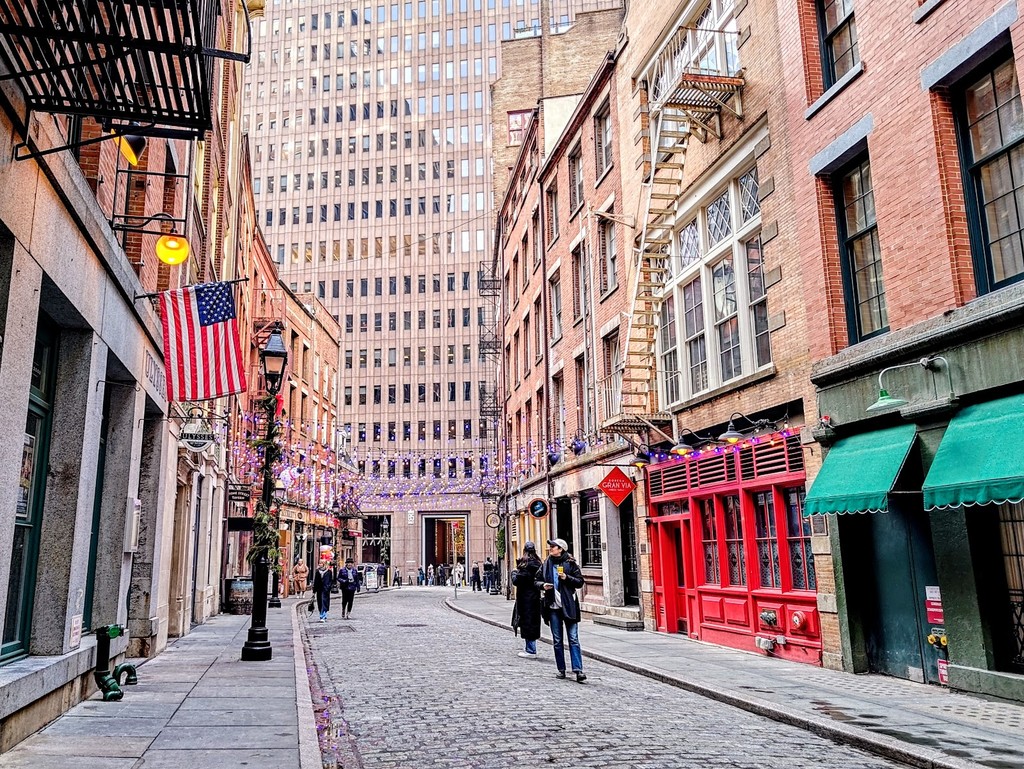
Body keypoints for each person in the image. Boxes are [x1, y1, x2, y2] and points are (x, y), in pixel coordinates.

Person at [538, 538, 586, 682]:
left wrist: (566, 577)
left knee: (573, 639)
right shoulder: (546, 563)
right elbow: (536, 580)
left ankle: (578, 670)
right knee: (557, 640)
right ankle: (561, 669)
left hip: (569, 606)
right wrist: (542, 585)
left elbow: (579, 582)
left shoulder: (570, 563)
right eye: (551, 546)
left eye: (553, 546)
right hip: (553, 607)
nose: (551, 548)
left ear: (561, 549)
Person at [511, 542, 543, 659]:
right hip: (535, 597)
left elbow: (516, 581)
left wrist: (514, 572)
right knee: (532, 622)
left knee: (527, 622)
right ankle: (530, 648)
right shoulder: (539, 563)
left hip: (525, 598)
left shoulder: (526, 565)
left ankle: (530, 649)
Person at [312, 558, 335, 623]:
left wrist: (329, 587)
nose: (320, 564)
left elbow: (331, 580)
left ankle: (323, 615)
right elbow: (315, 581)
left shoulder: (329, 572)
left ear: (324, 564)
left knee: (325, 602)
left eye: (321, 563)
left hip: (326, 589)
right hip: (319, 589)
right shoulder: (317, 572)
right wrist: (314, 591)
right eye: (319, 563)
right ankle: (322, 614)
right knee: (320, 602)